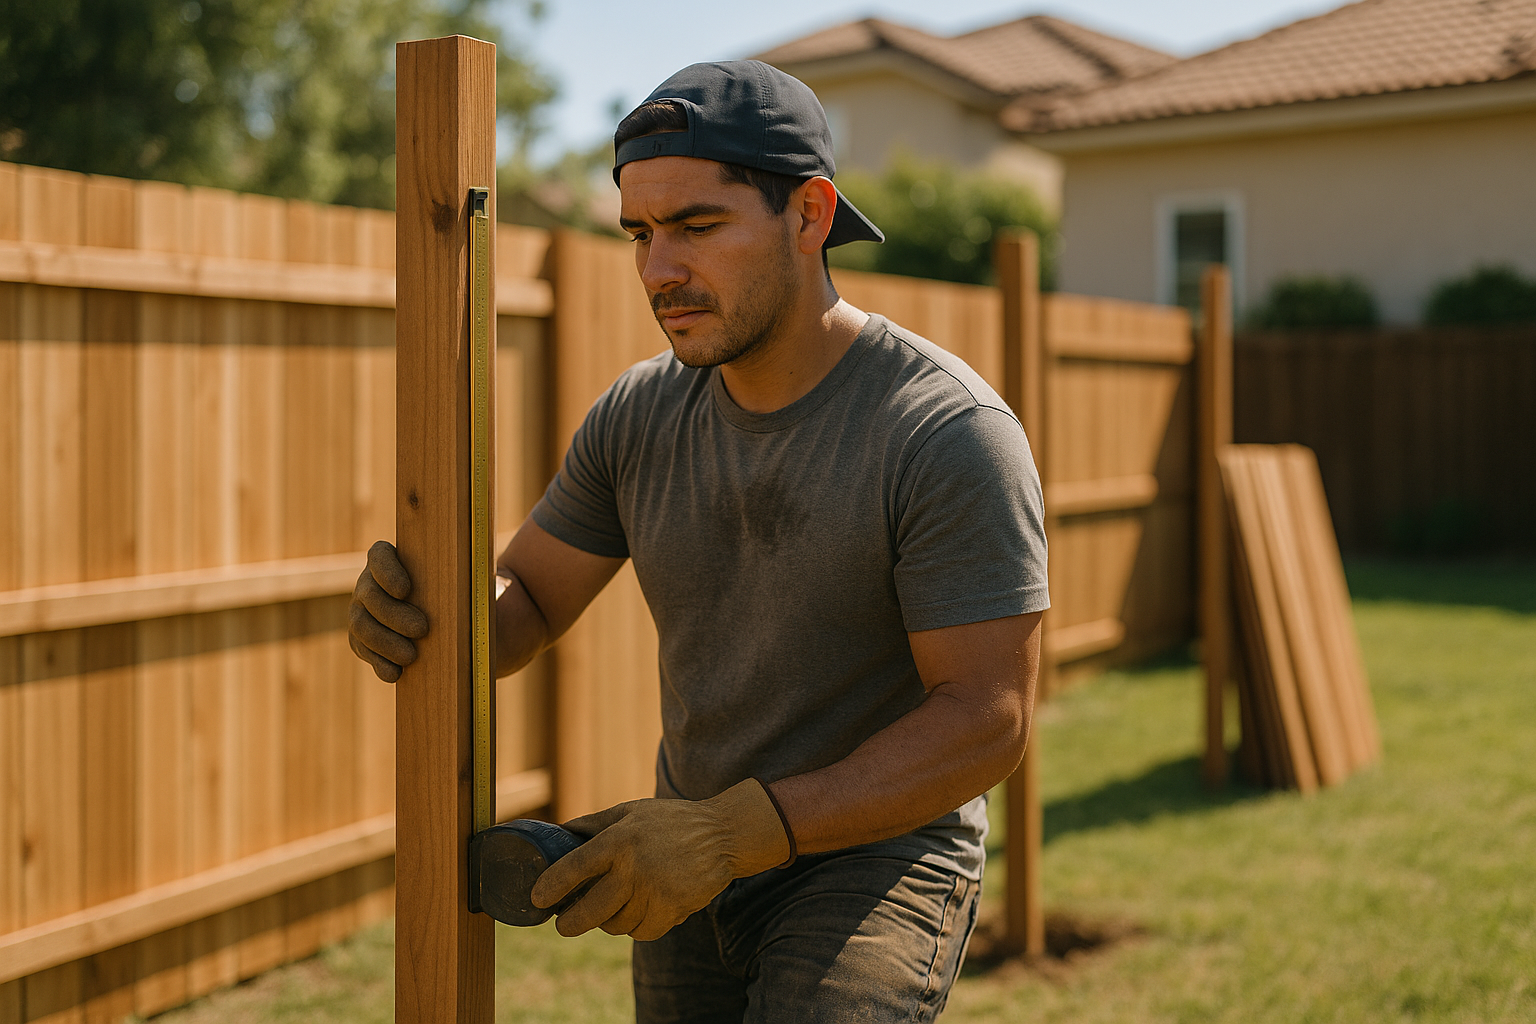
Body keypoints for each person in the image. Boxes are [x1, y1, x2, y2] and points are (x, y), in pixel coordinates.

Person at [349, 59, 1048, 1023]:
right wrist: (426, 616)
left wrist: (734, 834)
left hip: (874, 862)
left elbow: (985, 718)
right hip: (686, 854)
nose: (657, 271)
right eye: (640, 233)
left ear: (810, 214)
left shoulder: (943, 431)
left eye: (696, 228)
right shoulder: (639, 416)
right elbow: (533, 600)